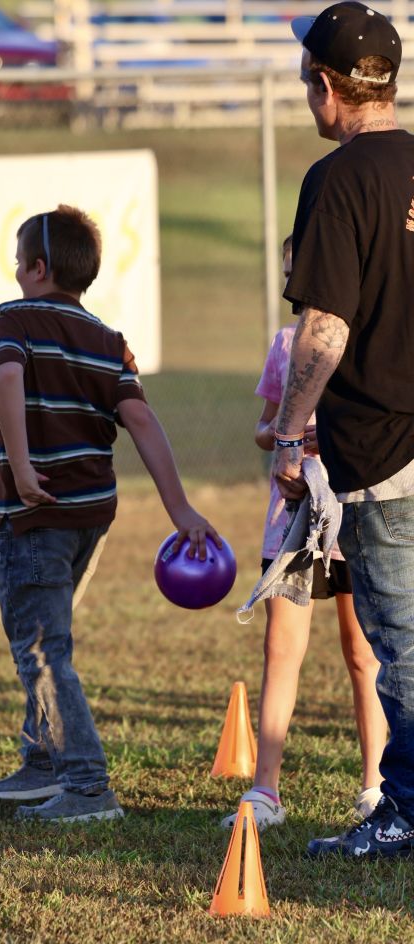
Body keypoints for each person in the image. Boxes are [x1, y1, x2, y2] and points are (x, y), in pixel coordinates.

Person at [0, 204, 221, 824]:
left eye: (18, 263)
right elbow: (140, 420)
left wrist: (25, 469)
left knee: (40, 648)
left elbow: (8, 379)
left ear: (35, 268)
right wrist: (180, 508)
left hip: (37, 514)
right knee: (51, 636)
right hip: (91, 517)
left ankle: (86, 786)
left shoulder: (13, 317)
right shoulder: (109, 342)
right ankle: (42, 766)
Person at [273, 2, 414, 858]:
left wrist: (292, 432)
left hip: (386, 450)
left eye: (306, 79)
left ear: (329, 86)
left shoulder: (340, 179)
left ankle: (404, 811)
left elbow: (325, 326)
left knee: (402, 646)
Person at [222, 235, 386, 832]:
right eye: (293, 273)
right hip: (292, 526)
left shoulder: (367, 346)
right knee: (281, 651)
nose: (300, 284)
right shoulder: (286, 347)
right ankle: (265, 793)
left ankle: (375, 785)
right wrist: (289, 436)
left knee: (364, 653)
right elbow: (266, 429)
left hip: (354, 516)